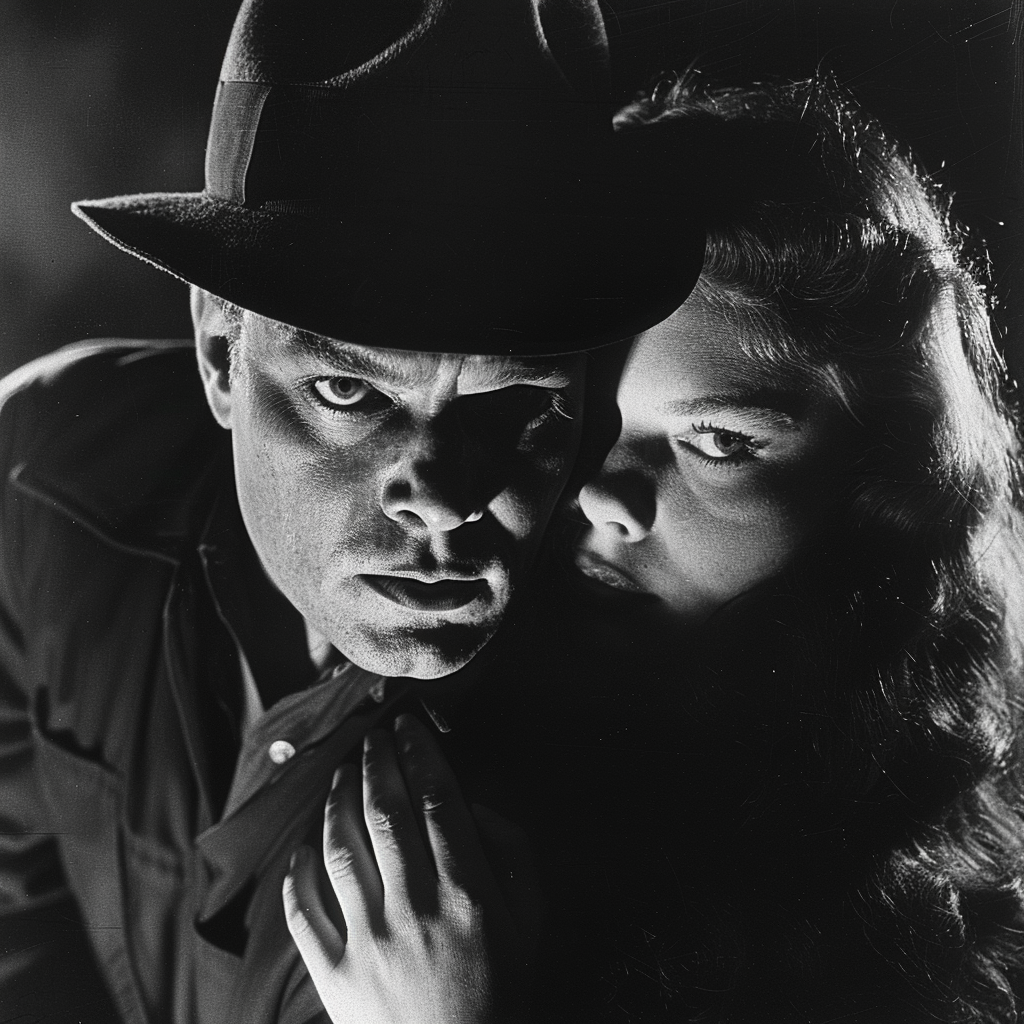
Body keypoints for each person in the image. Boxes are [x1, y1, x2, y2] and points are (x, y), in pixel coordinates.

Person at [0, 2, 706, 1023]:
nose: (441, 494)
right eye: (349, 392)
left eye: (516, 405)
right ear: (219, 354)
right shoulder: (48, 476)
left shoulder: (641, 774)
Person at [286, 75, 1024, 1022]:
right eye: (578, 417)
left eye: (717, 441)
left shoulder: (930, 903)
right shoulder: (439, 704)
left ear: (877, 473)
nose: (607, 497)